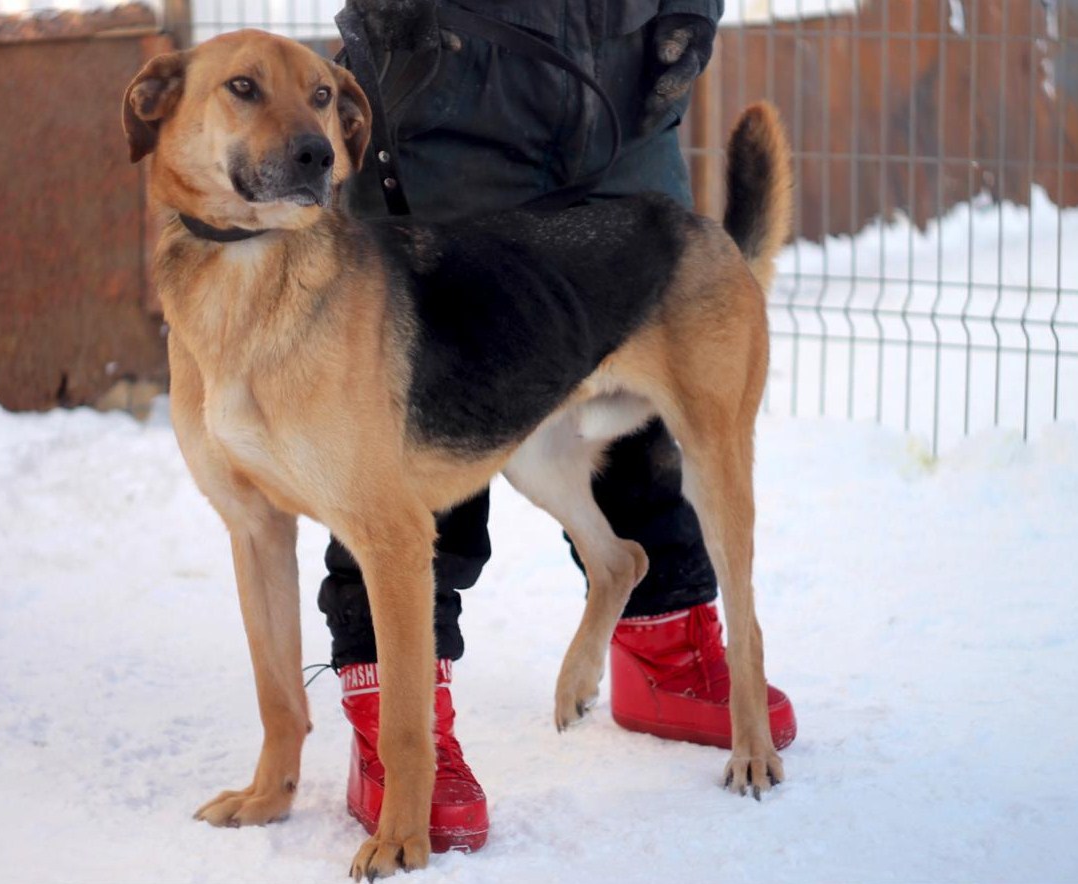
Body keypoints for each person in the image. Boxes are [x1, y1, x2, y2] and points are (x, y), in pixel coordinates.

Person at [319, 0, 796, 852]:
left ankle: (676, 648)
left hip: (621, 76)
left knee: (665, 463)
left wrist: (685, 15)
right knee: (416, 430)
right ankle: (398, 714)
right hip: (446, 83)